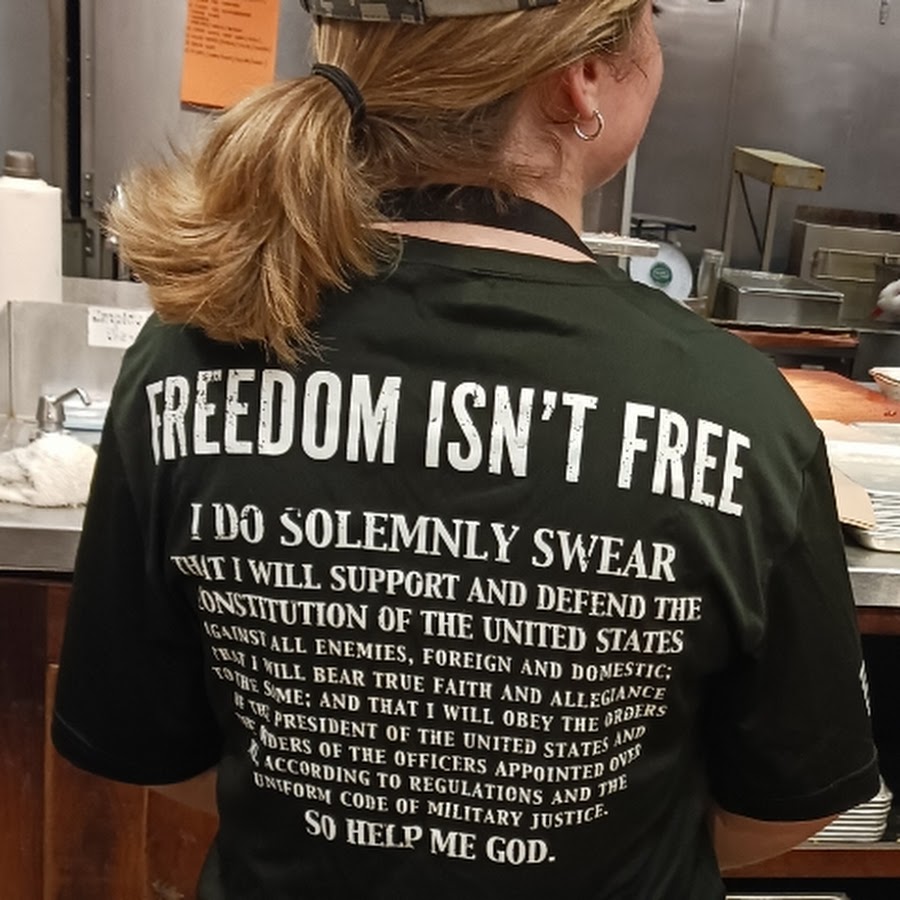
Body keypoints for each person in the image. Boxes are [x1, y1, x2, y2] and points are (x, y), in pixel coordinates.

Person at [52, 1, 880, 898]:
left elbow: (152, 749)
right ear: (581, 79)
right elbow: (787, 803)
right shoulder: (738, 412)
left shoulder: (187, 360)